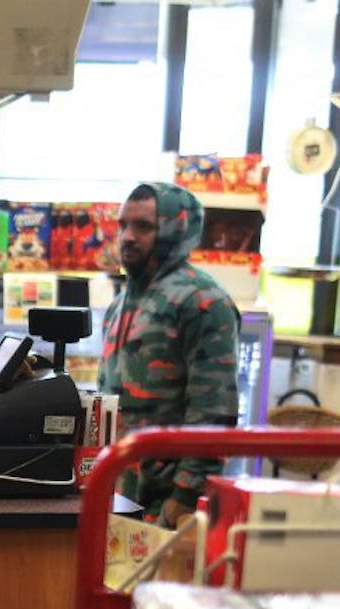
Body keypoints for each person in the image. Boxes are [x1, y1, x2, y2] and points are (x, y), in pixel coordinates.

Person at [98, 182, 240, 527]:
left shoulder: (203, 302)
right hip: (118, 490)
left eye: (143, 226)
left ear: (177, 229)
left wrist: (184, 497)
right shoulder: (120, 303)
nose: (128, 237)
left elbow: (213, 413)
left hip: (168, 501)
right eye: (123, 225)